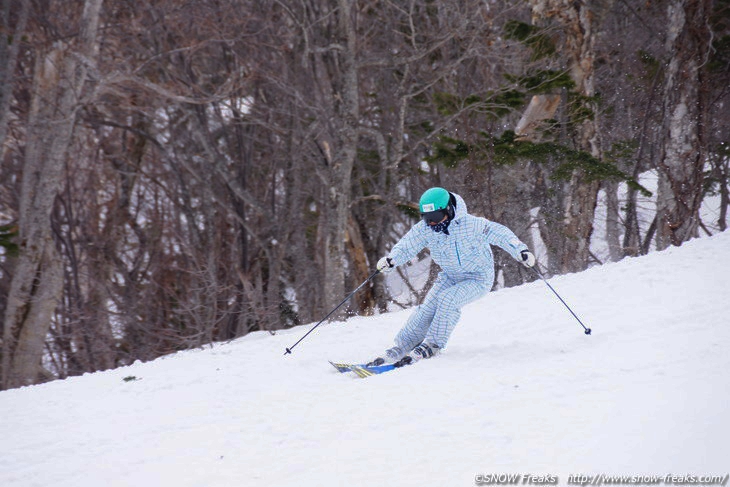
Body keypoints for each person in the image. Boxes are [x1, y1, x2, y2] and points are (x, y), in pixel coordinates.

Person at [370, 187, 536, 367]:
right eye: (426, 218)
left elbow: (501, 233)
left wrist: (521, 251)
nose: (431, 223)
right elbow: (408, 245)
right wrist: (391, 260)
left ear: (448, 210)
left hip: (478, 279)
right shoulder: (426, 229)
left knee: (448, 300)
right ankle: (402, 346)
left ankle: (432, 345)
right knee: (427, 310)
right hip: (450, 276)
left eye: (434, 217)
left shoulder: (472, 225)